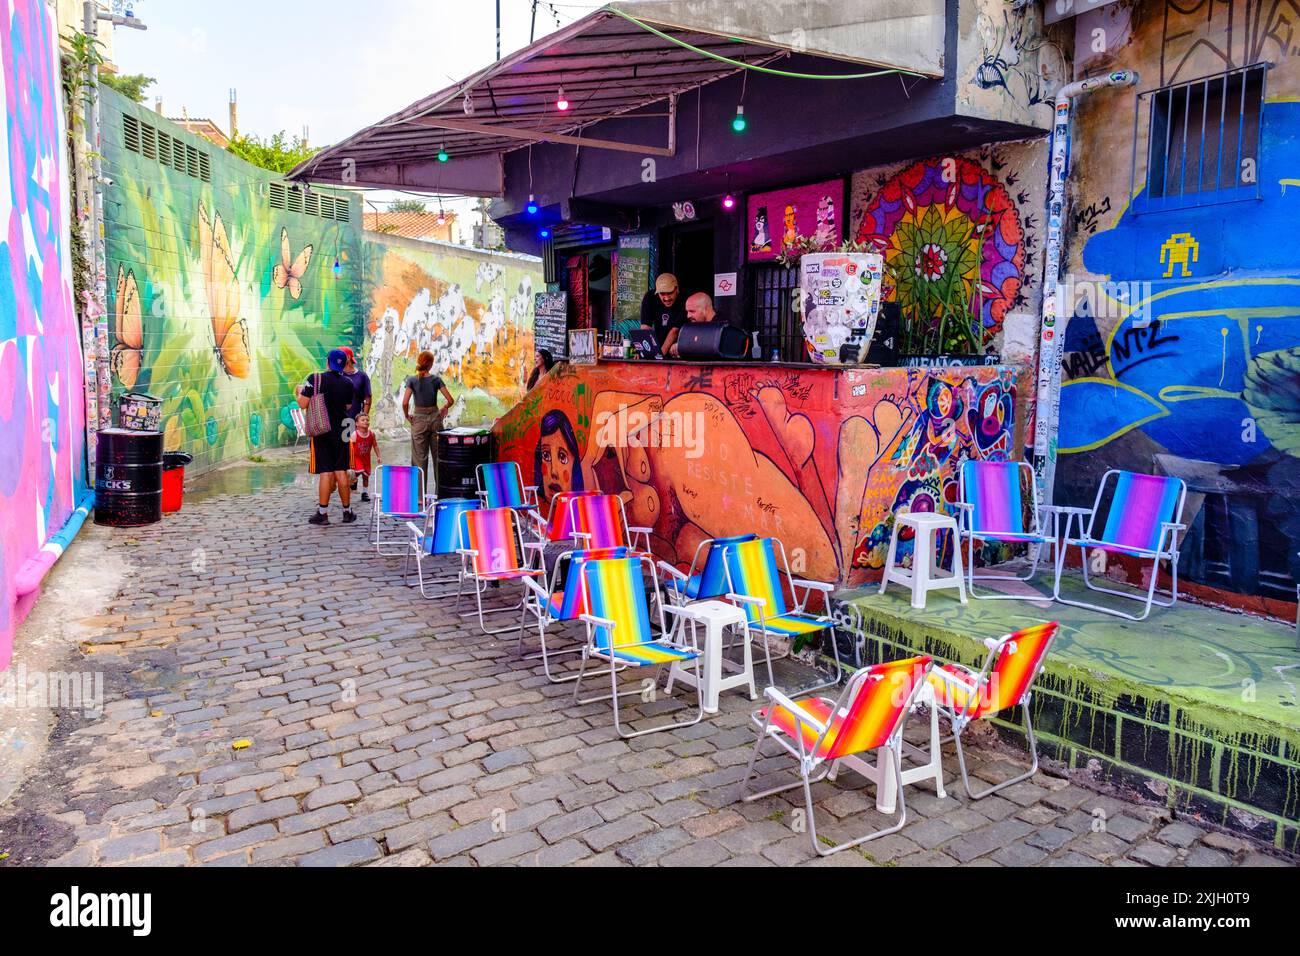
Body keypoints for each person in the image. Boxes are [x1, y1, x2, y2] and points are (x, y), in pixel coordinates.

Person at [297, 348, 357, 526]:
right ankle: (347, 512)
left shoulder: (314, 379)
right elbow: (347, 406)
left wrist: (300, 392)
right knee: (341, 470)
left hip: (322, 430)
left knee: (326, 471)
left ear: (327, 362)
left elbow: (302, 403)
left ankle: (323, 514)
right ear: (345, 364)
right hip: (343, 430)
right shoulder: (348, 383)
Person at [402, 349, 454, 489]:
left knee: (419, 459)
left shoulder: (412, 380)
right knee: (439, 458)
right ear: (430, 364)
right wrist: (444, 408)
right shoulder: (436, 380)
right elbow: (450, 400)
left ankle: (420, 497)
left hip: (418, 420)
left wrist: (407, 415)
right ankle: (441, 492)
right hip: (436, 419)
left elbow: (405, 402)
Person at [639, 273, 686, 351]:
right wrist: (645, 351)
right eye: (662, 294)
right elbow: (645, 328)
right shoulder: (650, 297)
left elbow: (675, 331)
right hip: (658, 344)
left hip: (678, 347)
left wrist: (661, 355)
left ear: (676, 289)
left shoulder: (684, 299)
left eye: (670, 293)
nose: (666, 298)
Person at [662, 292, 718, 358]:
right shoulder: (696, 325)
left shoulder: (721, 326)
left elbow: (710, 345)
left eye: (692, 311)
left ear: (706, 309)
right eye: (687, 312)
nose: (688, 316)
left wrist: (683, 347)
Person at [350, 411, 380, 502]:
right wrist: (349, 460)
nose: (365, 421)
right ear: (356, 423)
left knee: (366, 476)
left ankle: (365, 493)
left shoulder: (371, 434)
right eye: (362, 420)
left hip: (366, 459)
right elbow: (350, 448)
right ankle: (351, 481)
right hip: (356, 458)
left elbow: (375, 445)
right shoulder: (355, 434)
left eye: (367, 420)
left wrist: (378, 456)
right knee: (358, 471)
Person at [340, 345, 372, 425]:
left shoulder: (362, 376)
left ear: (347, 357)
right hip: (339, 420)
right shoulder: (337, 375)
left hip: (355, 420)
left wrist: (364, 418)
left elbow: (368, 398)